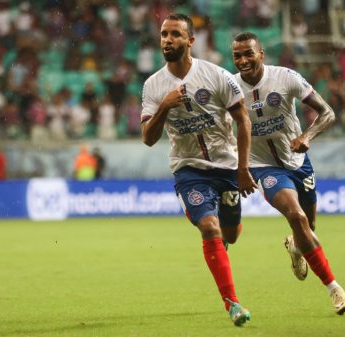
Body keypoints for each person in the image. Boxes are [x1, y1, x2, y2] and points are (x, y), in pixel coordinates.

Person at [141, 13, 257, 327]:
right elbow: (149, 139)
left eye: (175, 35)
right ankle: (232, 303)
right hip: (188, 170)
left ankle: (222, 246)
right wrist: (164, 106)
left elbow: (244, 121)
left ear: (191, 41)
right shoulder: (153, 85)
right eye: (164, 35)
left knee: (229, 232)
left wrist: (244, 167)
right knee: (210, 228)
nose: (167, 40)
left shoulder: (218, 76)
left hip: (227, 167)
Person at [231, 32, 345, 315]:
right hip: (265, 167)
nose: (243, 60)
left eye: (249, 53)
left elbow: (328, 113)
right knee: (296, 217)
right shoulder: (230, 89)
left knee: (308, 227)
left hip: (298, 162)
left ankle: (296, 246)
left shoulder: (286, 78)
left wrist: (308, 135)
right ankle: (334, 288)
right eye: (237, 55)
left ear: (262, 54)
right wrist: (241, 168)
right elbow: (224, 134)